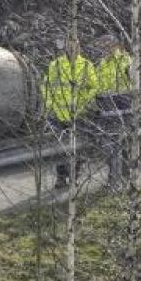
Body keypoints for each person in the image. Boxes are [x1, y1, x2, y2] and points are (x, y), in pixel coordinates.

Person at [42, 36, 99, 189]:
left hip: (78, 114)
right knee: (60, 148)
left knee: (78, 147)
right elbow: (46, 86)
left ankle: (75, 176)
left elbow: (94, 86)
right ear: (66, 47)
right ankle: (61, 178)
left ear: (79, 47)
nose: (72, 49)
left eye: (75, 46)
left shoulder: (87, 65)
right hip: (59, 114)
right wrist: (50, 105)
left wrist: (84, 102)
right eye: (69, 46)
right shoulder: (55, 65)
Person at [95, 37, 134, 188]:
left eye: (108, 45)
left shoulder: (126, 61)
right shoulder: (102, 64)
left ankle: (126, 178)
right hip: (109, 114)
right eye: (103, 46)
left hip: (125, 111)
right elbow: (99, 88)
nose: (105, 48)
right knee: (112, 148)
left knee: (124, 146)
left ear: (117, 45)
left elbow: (134, 85)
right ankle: (114, 180)